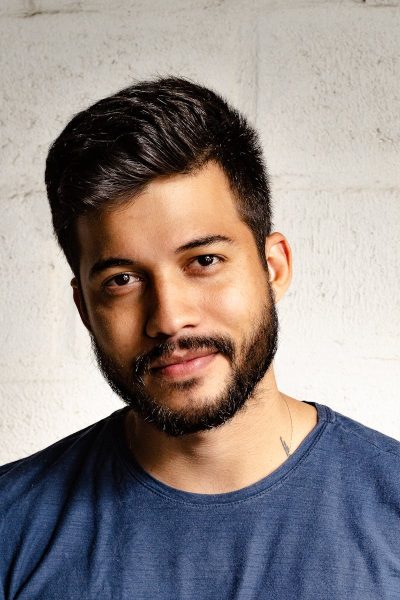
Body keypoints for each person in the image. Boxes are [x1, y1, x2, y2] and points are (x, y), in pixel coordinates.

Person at [0, 77, 399, 600]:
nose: (169, 318)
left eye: (204, 261)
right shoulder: (12, 527)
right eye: (122, 280)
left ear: (273, 267)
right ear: (84, 308)